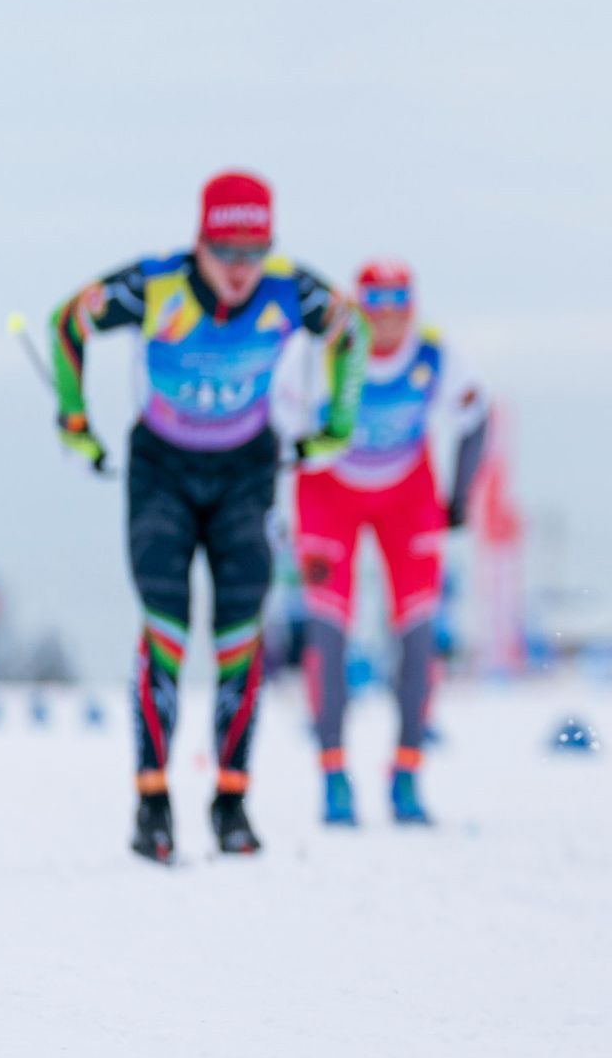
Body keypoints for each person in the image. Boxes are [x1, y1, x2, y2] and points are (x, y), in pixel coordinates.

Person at [49, 170, 361, 863]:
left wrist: (337, 423)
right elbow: (68, 322)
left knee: (238, 637)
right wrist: (75, 421)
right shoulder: (156, 285)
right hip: (161, 469)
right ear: (201, 242)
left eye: (256, 251)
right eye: (228, 252)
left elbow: (351, 328)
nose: (242, 270)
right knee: (165, 630)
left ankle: (231, 803)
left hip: (246, 471)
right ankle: (153, 806)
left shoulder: (290, 292)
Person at [295, 260, 488, 828]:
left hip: (407, 492)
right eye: (373, 315)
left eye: (395, 315)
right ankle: (333, 777)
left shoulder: (434, 353)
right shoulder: (326, 350)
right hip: (329, 490)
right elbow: (280, 424)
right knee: (328, 630)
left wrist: (458, 495)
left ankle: (406, 775)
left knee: (419, 632)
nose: (384, 329)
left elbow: (477, 416)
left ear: (411, 311)